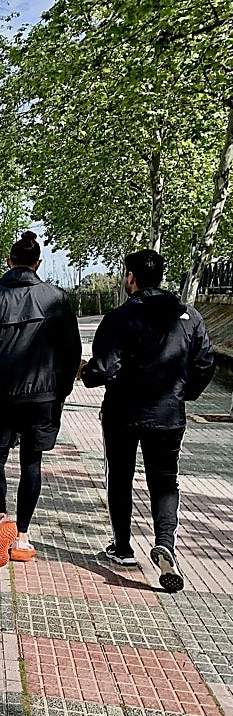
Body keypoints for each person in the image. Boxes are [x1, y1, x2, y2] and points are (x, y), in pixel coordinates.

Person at [81, 249, 214, 592]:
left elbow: (103, 369)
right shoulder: (189, 316)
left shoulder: (119, 317)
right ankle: (165, 544)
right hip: (168, 413)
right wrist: (183, 393)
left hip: (123, 413)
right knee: (166, 480)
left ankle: (123, 548)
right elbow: (204, 364)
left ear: (131, 277)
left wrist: (86, 372)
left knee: (120, 477)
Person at [0, 231, 82, 568]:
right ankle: (24, 538)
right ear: (38, 264)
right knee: (32, 462)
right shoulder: (56, 298)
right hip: (43, 396)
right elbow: (72, 351)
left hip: (2, 394)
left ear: (8, 262)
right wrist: (61, 391)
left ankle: (1, 520)